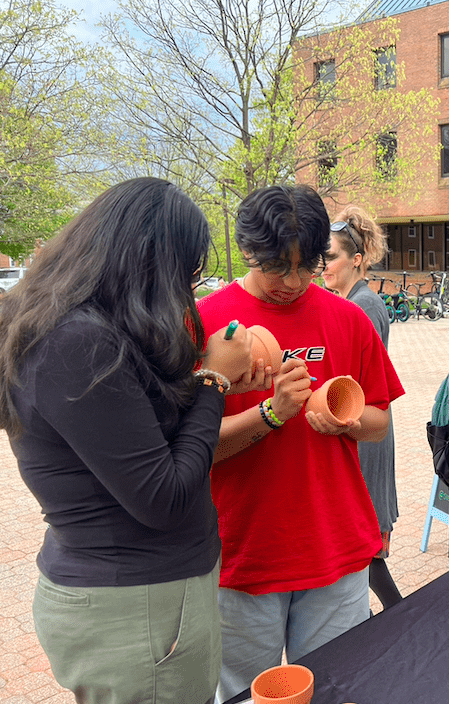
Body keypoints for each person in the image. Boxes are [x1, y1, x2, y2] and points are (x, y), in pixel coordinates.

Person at [0, 178, 259, 704]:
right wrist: (213, 381)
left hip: (137, 602)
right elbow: (163, 498)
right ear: (147, 263)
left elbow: (135, 428)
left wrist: (195, 385)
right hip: (139, 609)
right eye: (185, 274)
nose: (186, 292)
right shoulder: (77, 344)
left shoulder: (70, 329)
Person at [196, 185, 405, 702]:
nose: (292, 282)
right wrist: (272, 414)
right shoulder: (204, 324)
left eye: (306, 266)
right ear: (248, 250)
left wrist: (346, 422)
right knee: (246, 696)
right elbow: (189, 448)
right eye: (277, 267)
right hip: (242, 558)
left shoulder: (349, 318)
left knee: (339, 689)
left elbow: (379, 420)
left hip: (336, 549)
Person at [321, 205, 402, 609]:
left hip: (364, 429)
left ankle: (398, 618)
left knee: (364, 544)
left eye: (331, 257)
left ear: (356, 260)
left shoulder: (363, 305)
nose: (324, 266)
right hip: (357, 424)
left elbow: (358, 382)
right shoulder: (351, 300)